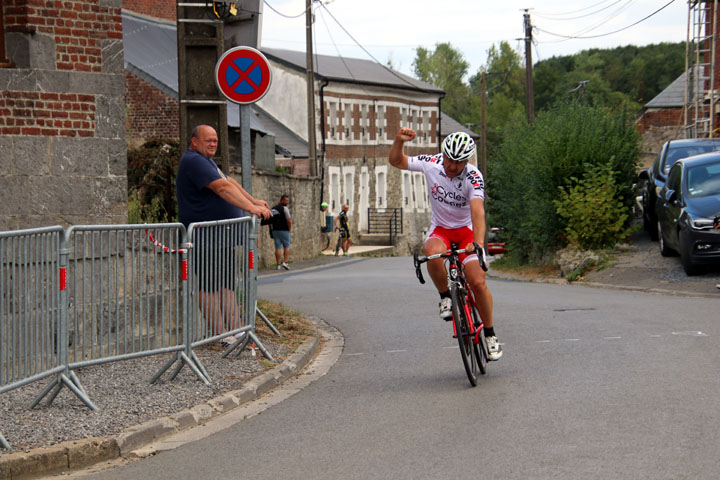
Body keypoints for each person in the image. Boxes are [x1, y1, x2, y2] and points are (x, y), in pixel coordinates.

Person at [388, 126, 502, 361]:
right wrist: (399, 141)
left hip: (466, 232)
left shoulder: (473, 176)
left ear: (467, 162)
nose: (452, 166)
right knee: (431, 252)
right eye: (450, 160)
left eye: (459, 163)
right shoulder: (432, 163)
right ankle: (445, 297)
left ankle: (490, 334)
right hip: (441, 229)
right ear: (443, 155)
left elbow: (478, 211)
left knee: (477, 282)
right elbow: (397, 162)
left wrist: (478, 243)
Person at [176, 124, 272, 345]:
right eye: (208, 140)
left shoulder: (207, 161)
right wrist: (251, 208)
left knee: (227, 283)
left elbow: (229, 182)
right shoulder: (193, 160)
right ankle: (221, 335)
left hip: (221, 235)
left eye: (215, 141)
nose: (212, 144)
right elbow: (222, 188)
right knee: (209, 286)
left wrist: (253, 201)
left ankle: (236, 330)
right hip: (205, 237)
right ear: (194, 142)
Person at [270, 194, 292, 270]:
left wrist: (271, 229)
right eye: (286, 200)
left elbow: (270, 220)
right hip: (284, 229)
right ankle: (285, 262)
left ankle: (278, 264)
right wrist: (289, 229)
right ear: (281, 200)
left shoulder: (273, 208)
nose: (287, 202)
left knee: (277, 247)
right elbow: (289, 220)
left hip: (275, 230)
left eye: (288, 201)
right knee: (286, 245)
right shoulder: (285, 209)